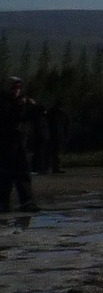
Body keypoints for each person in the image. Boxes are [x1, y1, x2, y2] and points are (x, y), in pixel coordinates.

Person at [0, 78, 38, 213]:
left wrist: (32, 108)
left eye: (18, 88)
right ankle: (3, 203)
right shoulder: (4, 103)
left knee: (23, 174)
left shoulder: (18, 102)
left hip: (19, 144)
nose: (16, 91)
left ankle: (27, 202)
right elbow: (11, 118)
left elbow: (26, 117)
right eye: (14, 88)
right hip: (5, 145)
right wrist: (20, 106)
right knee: (5, 176)